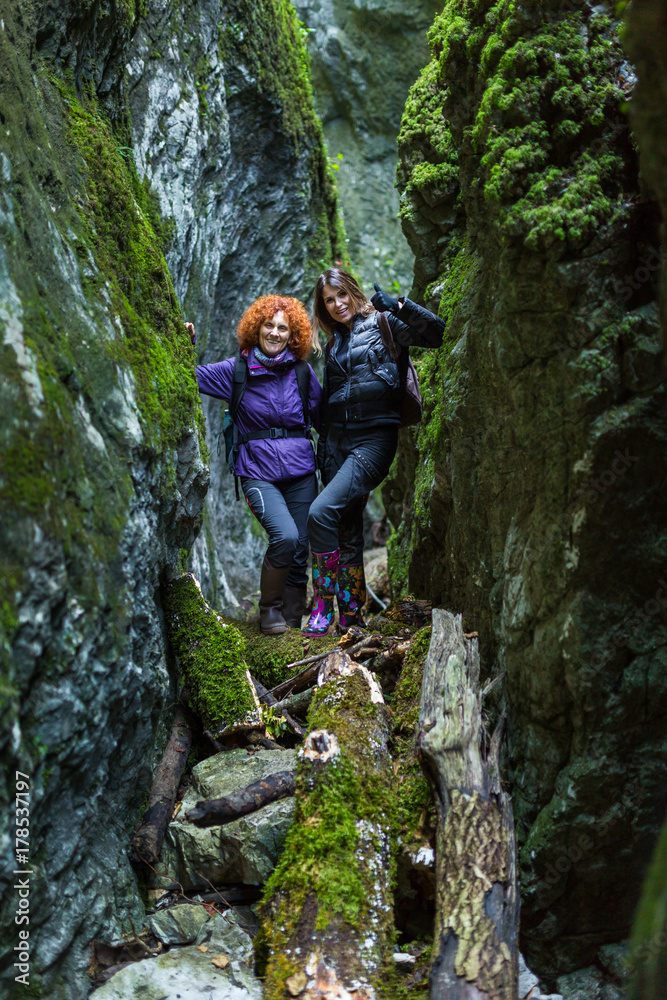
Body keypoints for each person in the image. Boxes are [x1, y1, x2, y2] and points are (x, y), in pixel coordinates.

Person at [302, 268, 445, 636]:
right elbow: (331, 406)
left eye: (341, 295)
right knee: (347, 533)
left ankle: (321, 607)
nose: (337, 305)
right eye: (329, 301)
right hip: (336, 445)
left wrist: (400, 305)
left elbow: (437, 334)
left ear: (352, 290)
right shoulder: (333, 345)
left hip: (373, 443)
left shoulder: (384, 323)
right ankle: (352, 621)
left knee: (320, 514)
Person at [187, 296, 321, 635]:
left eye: (282, 328)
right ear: (256, 329)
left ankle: (291, 623)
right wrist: (183, 344)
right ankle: (270, 612)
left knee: (300, 544)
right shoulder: (235, 372)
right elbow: (187, 374)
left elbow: (325, 417)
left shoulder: (302, 374)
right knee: (286, 536)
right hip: (258, 472)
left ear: (292, 335)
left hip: (302, 470)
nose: (274, 333)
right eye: (268, 325)